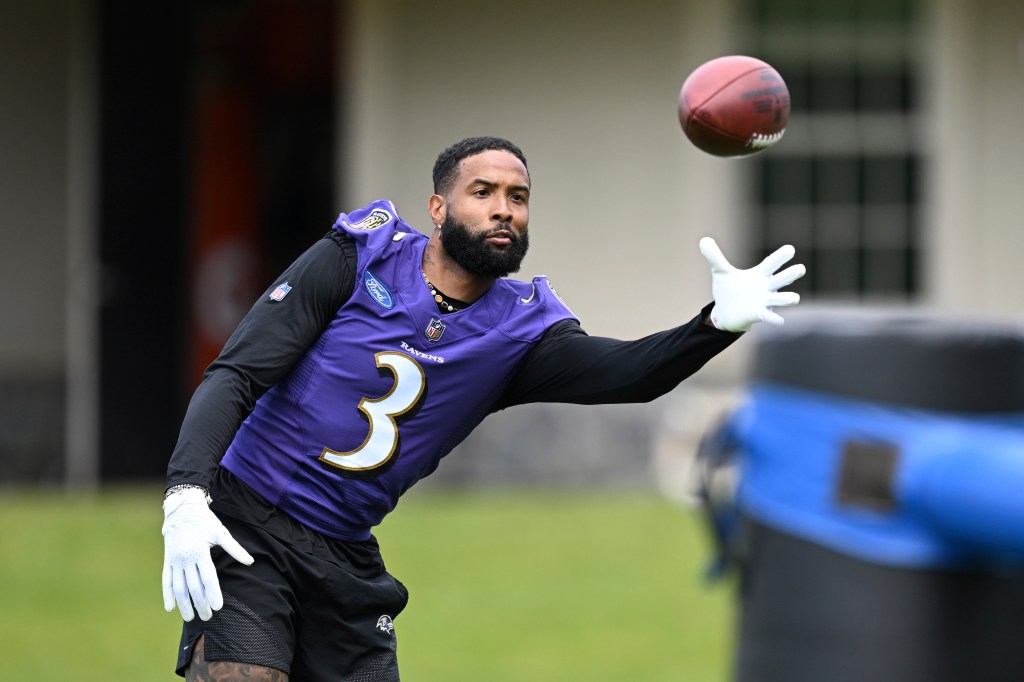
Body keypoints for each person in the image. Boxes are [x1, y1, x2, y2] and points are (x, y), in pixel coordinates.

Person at [161, 135, 805, 681]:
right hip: (247, 520)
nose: (503, 211)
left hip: (344, 554)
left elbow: (629, 373)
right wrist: (188, 494)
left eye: (517, 198)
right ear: (439, 208)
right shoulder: (360, 255)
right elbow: (238, 373)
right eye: (484, 193)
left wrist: (716, 324)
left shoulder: (518, 331)